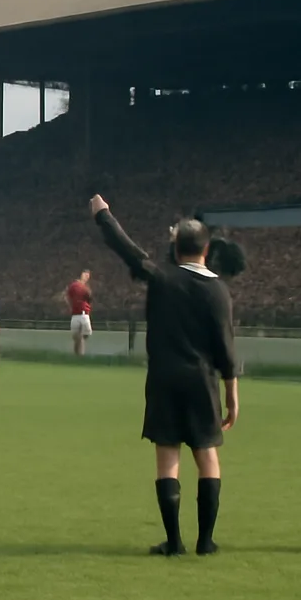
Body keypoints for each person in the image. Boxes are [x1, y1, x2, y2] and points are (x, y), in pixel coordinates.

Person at [90, 194, 238, 557]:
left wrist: (104, 215)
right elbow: (225, 348)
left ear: (176, 247)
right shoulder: (218, 290)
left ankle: (173, 542)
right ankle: (205, 541)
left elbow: (127, 250)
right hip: (202, 380)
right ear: (207, 249)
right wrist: (232, 395)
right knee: (207, 455)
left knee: (167, 455)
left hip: (163, 379)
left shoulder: (161, 278)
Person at [65, 269, 92, 356]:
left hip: (84, 314)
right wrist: (70, 306)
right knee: (76, 336)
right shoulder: (74, 286)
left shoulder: (86, 288)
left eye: (88, 276)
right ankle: (78, 355)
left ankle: (80, 354)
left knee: (85, 334)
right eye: (85, 274)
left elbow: (89, 299)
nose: (86, 277)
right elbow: (67, 296)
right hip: (76, 313)